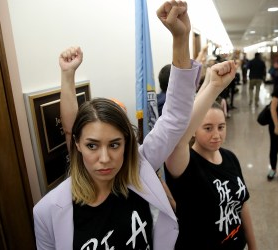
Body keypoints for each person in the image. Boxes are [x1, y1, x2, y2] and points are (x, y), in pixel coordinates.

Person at [33, 1, 202, 249]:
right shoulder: (47, 211)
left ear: (127, 142)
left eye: (114, 144)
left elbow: (175, 115)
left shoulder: (140, 165)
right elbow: (71, 127)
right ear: (77, 144)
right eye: (92, 145)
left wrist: (180, 37)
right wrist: (67, 75)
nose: (105, 158)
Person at [164, 59, 257, 249]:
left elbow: (242, 205)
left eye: (221, 127)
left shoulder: (230, 157)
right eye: (207, 128)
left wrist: (254, 246)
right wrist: (212, 86)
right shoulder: (184, 164)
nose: (217, 135)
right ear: (194, 130)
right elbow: (179, 140)